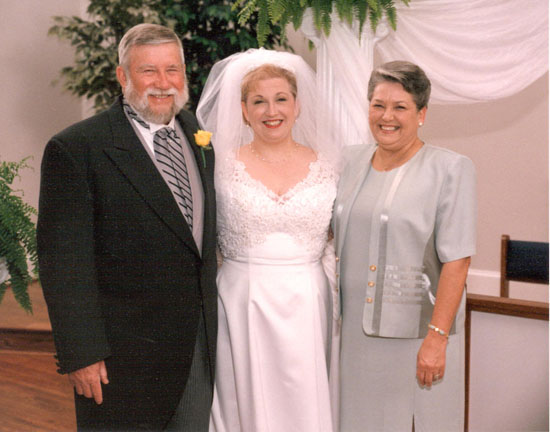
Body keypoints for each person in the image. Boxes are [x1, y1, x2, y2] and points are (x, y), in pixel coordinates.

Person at [37, 23, 217, 431]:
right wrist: (81, 353)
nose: (163, 83)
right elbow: (64, 264)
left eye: (173, 70)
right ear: (122, 76)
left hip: (195, 352)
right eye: (148, 71)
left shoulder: (198, 134)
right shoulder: (77, 148)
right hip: (121, 362)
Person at [197, 49, 339, 432]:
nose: (270, 111)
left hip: (308, 302)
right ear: (243, 109)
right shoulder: (218, 166)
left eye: (280, 99)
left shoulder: (331, 165)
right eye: (258, 101)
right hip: (241, 301)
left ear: (297, 106)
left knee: (303, 399)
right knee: (242, 398)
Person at [333, 61, 476, 431]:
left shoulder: (450, 169)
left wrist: (437, 338)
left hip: (417, 338)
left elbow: (457, 261)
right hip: (351, 337)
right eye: (378, 104)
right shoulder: (347, 161)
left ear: (422, 113)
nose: (387, 116)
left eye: (400, 107)